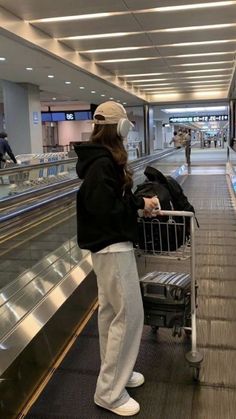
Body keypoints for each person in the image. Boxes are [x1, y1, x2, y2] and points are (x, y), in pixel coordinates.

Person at [75, 101, 158, 417]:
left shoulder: (101, 161)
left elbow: (113, 200)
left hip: (109, 248)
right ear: (119, 128)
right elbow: (103, 208)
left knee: (112, 314)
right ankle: (109, 391)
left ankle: (115, 376)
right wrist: (133, 209)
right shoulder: (102, 165)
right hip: (112, 247)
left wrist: (138, 203)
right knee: (128, 315)